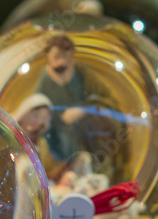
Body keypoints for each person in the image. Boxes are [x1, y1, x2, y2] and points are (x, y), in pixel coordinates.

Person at [35, 35, 127, 181]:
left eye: (67, 57)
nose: (63, 62)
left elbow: (106, 98)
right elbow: (37, 106)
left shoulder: (81, 71)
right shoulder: (45, 79)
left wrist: (83, 109)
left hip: (87, 130)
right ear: (48, 56)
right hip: (58, 134)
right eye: (57, 56)